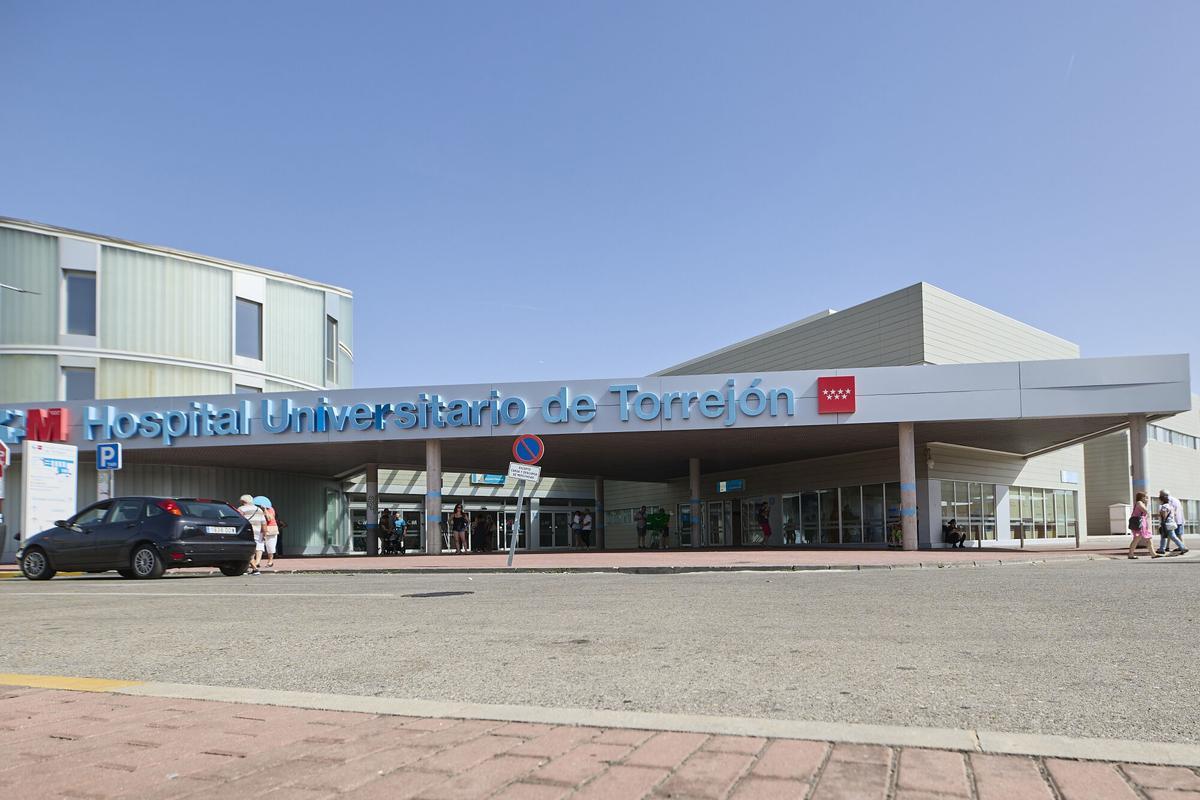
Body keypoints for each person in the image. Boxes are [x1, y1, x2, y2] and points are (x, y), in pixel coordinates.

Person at [238, 494, 266, 574]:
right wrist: (264, 534)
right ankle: (249, 569)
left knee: (246, 551)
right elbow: (264, 523)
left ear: (243, 501)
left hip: (246, 532)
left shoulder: (241, 509)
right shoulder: (259, 510)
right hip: (257, 533)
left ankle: (254, 569)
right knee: (251, 551)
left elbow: (239, 520)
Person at [1128, 492, 1160, 559]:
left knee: (1148, 538)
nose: (1147, 499)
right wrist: (1147, 506)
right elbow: (1145, 511)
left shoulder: (1141, 503)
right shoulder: (1139, 502)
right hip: (1139, 523)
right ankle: (1131, 554)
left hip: (1142, 523)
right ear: (1141, 497)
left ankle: (1153, 554)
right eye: (1146, 497)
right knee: (1137, 539)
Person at [1156, 490, 1188, 555]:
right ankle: (1162, 549)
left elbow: (1164, 515)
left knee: (1171, 537)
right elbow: (1174, 514)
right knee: (1164, 536)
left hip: (1166, 524)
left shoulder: (1164, 506)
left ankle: (1183, 547)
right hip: (1171, 523)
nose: (1158, 501)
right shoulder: (1170, 506)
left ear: (1162, 500)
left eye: (1159, 500)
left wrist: (1161, 519)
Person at [258, 498, 280, 569]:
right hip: (260, 530)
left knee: (270, 546)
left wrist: (265, 510)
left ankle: (270, 561)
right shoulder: (258, 510)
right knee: (259, 546)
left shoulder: (271, 509)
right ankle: (257, 561)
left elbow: (269, 518)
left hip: (270, 530)